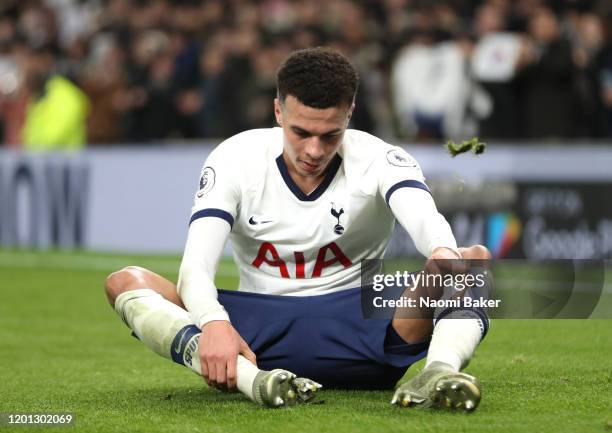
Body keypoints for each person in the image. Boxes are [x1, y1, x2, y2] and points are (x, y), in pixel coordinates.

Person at [104, 47, 491, 410]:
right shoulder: (235, 158)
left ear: (350, 114)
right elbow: (195, 270)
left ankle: (439, 372)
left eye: (330, 135)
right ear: (277, 111)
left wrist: (441, 250)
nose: (314, 151)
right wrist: (214, 323)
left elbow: (427, 221)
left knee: (470, 259)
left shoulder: (382, 158)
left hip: (364, 328)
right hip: (254, 339)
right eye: (301, 133)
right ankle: (252, 381)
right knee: (125, 282)